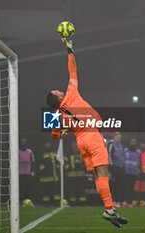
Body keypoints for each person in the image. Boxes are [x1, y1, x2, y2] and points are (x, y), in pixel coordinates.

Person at [46, 38, 127, 228]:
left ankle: (110, 209)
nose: (58, 89)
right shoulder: (71, 93)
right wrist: (69, 50)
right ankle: (109, 210)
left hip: (81, 141)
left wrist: (62, 135)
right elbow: (73, 71)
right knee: (103, 172)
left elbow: (53, 136)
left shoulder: (56, 115)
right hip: (91, 135)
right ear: (57, 97)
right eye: (56, 91)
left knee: (97, 176)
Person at [64, 140, 87, 206]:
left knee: (81, 189)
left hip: (80, 174)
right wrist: (70, 168)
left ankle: (82, 203)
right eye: (74, 145)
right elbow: (65, 164)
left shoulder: (81, 153)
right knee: (72, 190)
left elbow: (85, 163)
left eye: (76, 145)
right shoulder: (68, 154)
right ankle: (72, 203)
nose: (75, 146)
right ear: (71, 146)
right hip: (71, 175)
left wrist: (80, 165)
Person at [37, 141, 59, 206]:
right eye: (47, 143)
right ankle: (46, 203)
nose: (48, 144)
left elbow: (57, 161)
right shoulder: (42, 152)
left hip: (54, 176)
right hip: (45, 177)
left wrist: (57, 169)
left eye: (49, 143)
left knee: (54, 190)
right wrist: (44, 169)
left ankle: (55, 202)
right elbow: (39, 163)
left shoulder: (54, 152)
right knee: (45, 190)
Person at [107, 132, 125, 207]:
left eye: (119, 137)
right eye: (117, 137)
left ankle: (117, 201)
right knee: (113, 185)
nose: (118, 138)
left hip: (120, 167)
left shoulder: (120, 145)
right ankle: (112, 201)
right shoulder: (111, 144)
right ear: (114, 137)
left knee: (119, 185)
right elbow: (109, 155)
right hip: (114, 167)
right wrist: (111, 167)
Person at [133, 142, 145, 207]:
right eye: (142, 144)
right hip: (137, 173)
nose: (143, 145)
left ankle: (142, 203)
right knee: (136, 188)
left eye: (144, 144)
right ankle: (135, 202)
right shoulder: (137, 153)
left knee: (144, 188)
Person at [123, 138, 140, 207]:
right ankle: (125, 201)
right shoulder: (125, 150)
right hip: (126, 171)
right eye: (132, 142)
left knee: (132, 188)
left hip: (134, 172)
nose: (133, 143)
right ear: (130, 142)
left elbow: (139, 162)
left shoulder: (138, 152)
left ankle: (130, 202)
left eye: (134, 142)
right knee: (126, 187)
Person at [19, 138, 35, 204]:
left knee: (28, 187)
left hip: (27, 171)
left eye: (24, 142)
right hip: (19, 172)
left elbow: (32, 161)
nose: (23, 144)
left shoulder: (29, 151)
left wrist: (32, 171)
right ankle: (20, 201)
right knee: (20, 187)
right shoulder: (17, 151)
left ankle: (28, 201)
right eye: (22, 142)